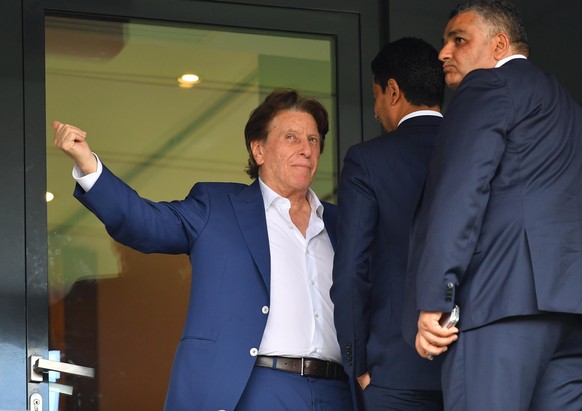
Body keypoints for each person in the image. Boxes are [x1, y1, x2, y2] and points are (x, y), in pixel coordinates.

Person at [52, 89, 355, 411]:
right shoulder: (218, 207)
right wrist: (88, 164)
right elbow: (144, 223)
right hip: (256, 385)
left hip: (337, 391)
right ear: (259, 150)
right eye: (291, 137)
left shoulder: (343, 223)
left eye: (313, 140)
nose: (306, 149)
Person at [405, 1, 582, 410]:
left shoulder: (487, 86)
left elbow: (460, 193)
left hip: (500, 306)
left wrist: (436, 299)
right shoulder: (570, 110)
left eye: (459, 39)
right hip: (570, 314)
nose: (443, 52)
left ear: (499, 44)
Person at [330, 37, 445, 410]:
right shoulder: (481, 151)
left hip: (393, 372)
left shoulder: (367, 160)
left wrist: (356, 361)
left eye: (376, 95)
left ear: (393, 92)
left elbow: (351, 270)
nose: (376, 109)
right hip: (475, 366)